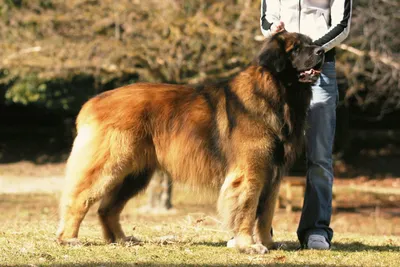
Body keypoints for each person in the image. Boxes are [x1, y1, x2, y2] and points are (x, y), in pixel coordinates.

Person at [260, 0, 352, 249]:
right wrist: (275, 32)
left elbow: (342, 25)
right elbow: (266, 19)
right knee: (263, 155)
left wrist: (309, 52)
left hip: (320, 70)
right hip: (280, 72)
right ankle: (258, 229)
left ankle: (316, 230)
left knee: (319, 156)